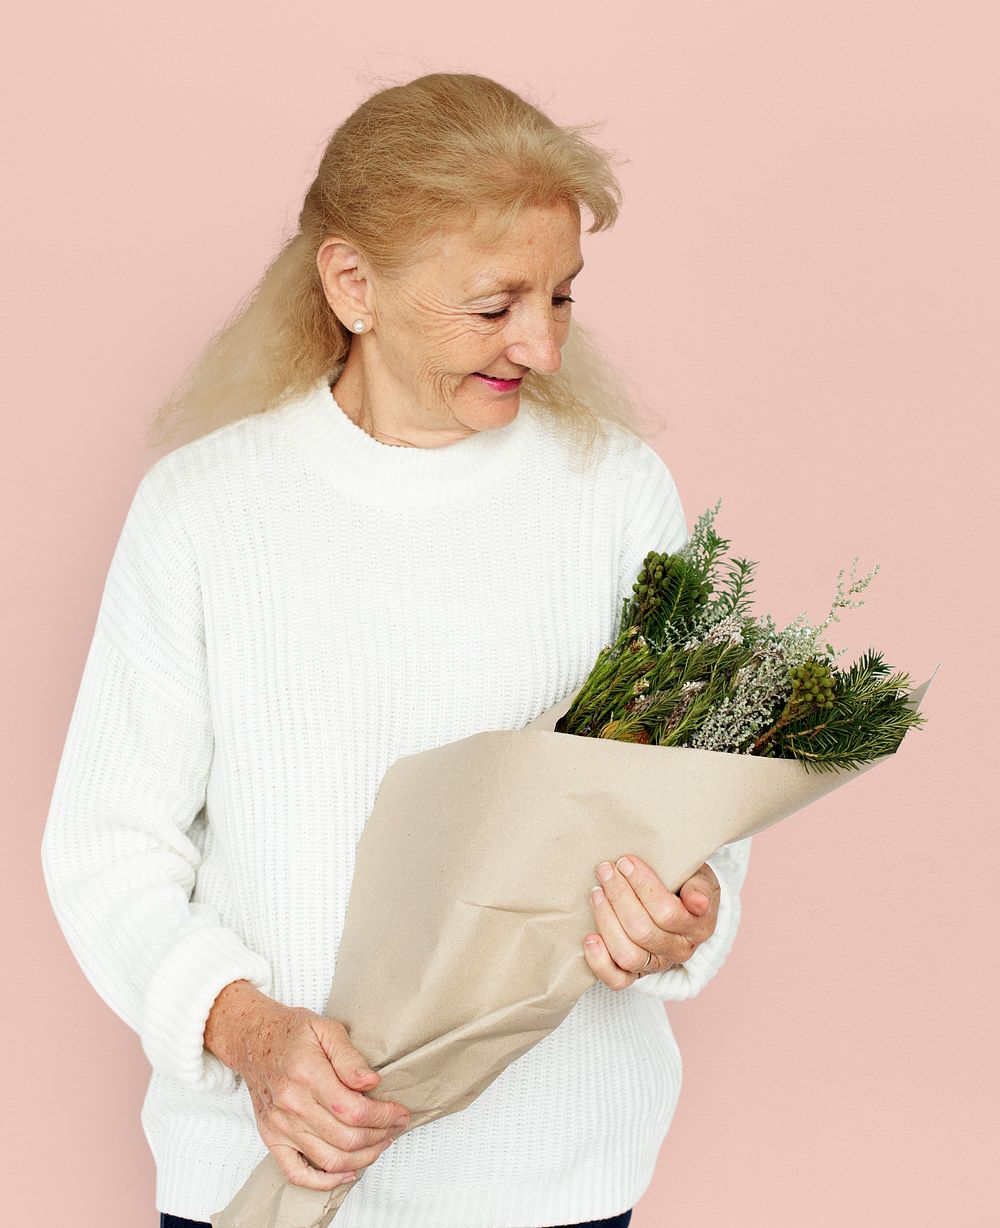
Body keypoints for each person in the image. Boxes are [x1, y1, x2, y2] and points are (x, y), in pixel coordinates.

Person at [40, 72, 752, 1228]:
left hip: (551, 1180)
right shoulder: (204, 511)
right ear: (352, 282)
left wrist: (685, 910)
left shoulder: (617, 495)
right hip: (258, 1179)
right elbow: (107, 847)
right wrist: (250, 1033)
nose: (542, 344)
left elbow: (693, 803)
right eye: (495, 305)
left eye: (562, 297)